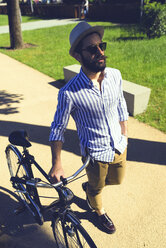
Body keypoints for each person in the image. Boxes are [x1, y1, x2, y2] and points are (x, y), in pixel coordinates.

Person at [49, 22, 128, 234]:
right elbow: (58, 127)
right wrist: (57, 164)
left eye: (101, 46)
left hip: (119, 145)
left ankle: (90, 188)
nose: (100, 52)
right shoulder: (69, 93)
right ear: (77, 55)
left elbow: (120, 102)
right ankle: (99, 211)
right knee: (98, 187)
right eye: (92, 49)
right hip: (95, 154)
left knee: (118, 180)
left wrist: (124, 130)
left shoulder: (115, 75)